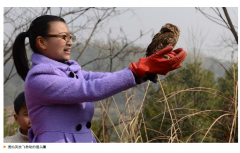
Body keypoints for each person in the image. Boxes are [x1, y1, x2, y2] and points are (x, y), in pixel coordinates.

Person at [12, 15, 187, 143]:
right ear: (41, 42)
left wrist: (143, 72)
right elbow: (90, 89)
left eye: (70, 36)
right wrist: (138, 69)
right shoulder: (38, 79)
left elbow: (102, 78)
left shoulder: (72, 71)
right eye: (63, 37)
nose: (69, 42)